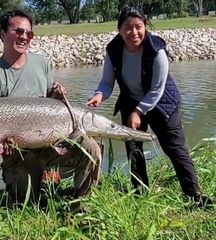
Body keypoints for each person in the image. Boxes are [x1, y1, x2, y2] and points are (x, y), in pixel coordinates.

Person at [87, 6, 211, 205]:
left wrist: (138, 111)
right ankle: (140, 193)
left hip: (162, 104)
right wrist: (99, 95)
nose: (133, 32)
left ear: (145, 26)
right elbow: (107, 82)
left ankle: (194, 196)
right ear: (119, 30)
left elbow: (157, 89)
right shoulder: (113, 51)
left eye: (138, 26)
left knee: (175, 149)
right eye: (127, 27)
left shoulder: (156, 50)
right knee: (133, 149)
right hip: (131, 100)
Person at [0, 10, 102, 202]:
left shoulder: (41, 63)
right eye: (18, 31)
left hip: (49, 145)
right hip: (17, 154)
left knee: (91, 148)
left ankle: (82, 206)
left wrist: (56, 94)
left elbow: (48, 102)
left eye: (29, 33)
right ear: (2, 34)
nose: (24, 37)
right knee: (25, 203)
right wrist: (1, 145)